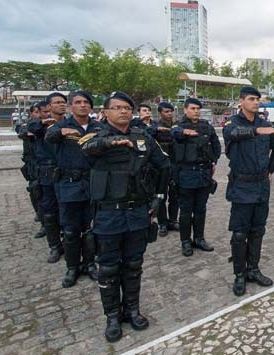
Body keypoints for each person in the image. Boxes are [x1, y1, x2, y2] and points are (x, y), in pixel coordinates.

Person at [79, 91, 171, 342]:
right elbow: (84, 149)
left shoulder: (143, 137)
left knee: (133, 265)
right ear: (105, 112)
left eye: (127, 108)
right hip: (108, 214)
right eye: (117, 107)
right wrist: (109, 143)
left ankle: (132, 309)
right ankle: (112, 317)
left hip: (138, 213)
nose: (123, 111)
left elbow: (164, 166)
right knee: (108, 268)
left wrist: (159, 198)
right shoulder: (96, 136)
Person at [222, 86, 274, 296]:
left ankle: (253, 269)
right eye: (252, 99)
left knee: (258, 230)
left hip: (261, 185)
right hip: (242, 185)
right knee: (239, 233)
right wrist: (255, 131)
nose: (256, 102)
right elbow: (233, 134)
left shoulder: (265, 124)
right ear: (241, 101)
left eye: (258, 99)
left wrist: (271, 170)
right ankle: (239, 274)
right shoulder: (232, 123)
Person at [45, 90, 102, 287]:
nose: (82, 105)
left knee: (90, 228)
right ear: (71, 106)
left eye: (86, 102)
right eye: (78, 102)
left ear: (91, 107)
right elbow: (49, 137)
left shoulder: (98, 127)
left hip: (92, 184)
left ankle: (89, 264)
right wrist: (61, 132)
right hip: (69, 184)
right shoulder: (62, 125)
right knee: (70, 230)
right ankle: (72, 267)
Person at [170, 98, 221, 256]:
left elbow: (216, 145)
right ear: (185, 110)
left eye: (198, 108)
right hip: (186, 174)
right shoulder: (179, 126)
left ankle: (199, 238)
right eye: (192, 108)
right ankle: (186, 241)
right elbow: (174, 132)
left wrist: (213, 161)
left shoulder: (206, 127)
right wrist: (184, 132)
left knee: (201, 209)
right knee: (186, 210)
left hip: (203, 174)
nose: (196, 111)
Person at [28, 93, 66, 264]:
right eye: (56, 103)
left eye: (63, 102)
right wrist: (43, 122)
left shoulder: (71, 123)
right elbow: (25, 129)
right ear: (48, 107)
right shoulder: (40, 126)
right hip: (47, 174)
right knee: (50, 212)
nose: (60, 105)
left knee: (71, 212)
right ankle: (55, 246)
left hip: (68, 173)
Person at [148, 102, 179, 236]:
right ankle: (162, 223)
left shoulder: (177, 125)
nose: (169, 114)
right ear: (160, 113)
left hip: (175, 163)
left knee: (175, 195)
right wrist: (159, 130)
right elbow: (147, 133)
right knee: (161, 195)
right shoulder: (154, 126)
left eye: (171, 111)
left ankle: (172, 220)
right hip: (160, 166)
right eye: (166, 111)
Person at [17, 103, 45, 238]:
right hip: (32, 165)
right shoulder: (27, 126)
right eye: (36, 112)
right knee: (35, 190)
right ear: (31, 114)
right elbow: (22, 133)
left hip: (45, 165)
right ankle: (42, 219)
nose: (38, 115)